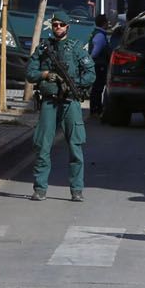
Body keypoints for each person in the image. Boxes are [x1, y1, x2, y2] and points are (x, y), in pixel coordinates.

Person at [27, 14, 93, 202]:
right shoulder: (44, 48)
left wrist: (73, 83)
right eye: (55, 25)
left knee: (75, 146)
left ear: (67, 27)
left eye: (61, 25)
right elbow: (30, 74)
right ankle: (40, 188)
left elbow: (90, 73)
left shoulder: (76, 48)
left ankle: (77, 189)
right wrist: (45, 74)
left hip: (70, 101)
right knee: (42, 146)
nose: (58, 27)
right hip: (49, 101)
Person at [88, 13, 113, 116]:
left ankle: (95, 108)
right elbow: (95, 52)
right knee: (98, 88)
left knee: (96, 88)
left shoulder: (97, 33)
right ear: (104, 23)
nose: (108, 24)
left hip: (97, 64)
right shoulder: (100, 35)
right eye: (107, 22)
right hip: (99, 65)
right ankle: (96, 109)